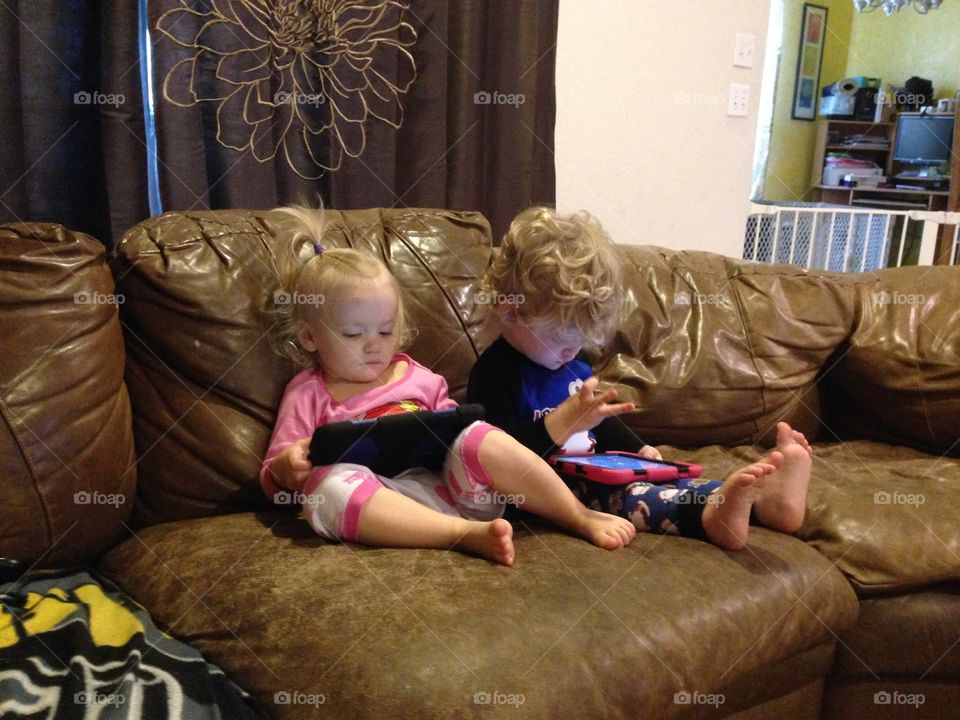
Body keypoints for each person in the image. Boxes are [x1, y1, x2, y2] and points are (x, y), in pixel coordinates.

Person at [260, 206, 637, 566]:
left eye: (386, 330)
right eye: (353, 334)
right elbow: (276, 477)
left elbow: (455, 437)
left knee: (477, 434)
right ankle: (461, 534)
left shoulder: (420, 377)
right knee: (326, 488)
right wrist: (283, 469)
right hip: (385, 505)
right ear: (310, 337)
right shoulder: (307, 392)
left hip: (457, 490)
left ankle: (577, 515)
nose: (374, 344)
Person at [466, 206, 812, 550]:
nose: (571, 351)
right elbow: (500, 463)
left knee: (667, 481)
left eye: (580, 339)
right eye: (560, 337)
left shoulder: (572, 361)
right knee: (631, 497)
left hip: (596, 470)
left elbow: (599, 423)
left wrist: (638, 449)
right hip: (549, 493)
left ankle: (766, 503)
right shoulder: (494, 374)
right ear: (510, 311)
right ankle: (709, 519)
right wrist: (561, 424)